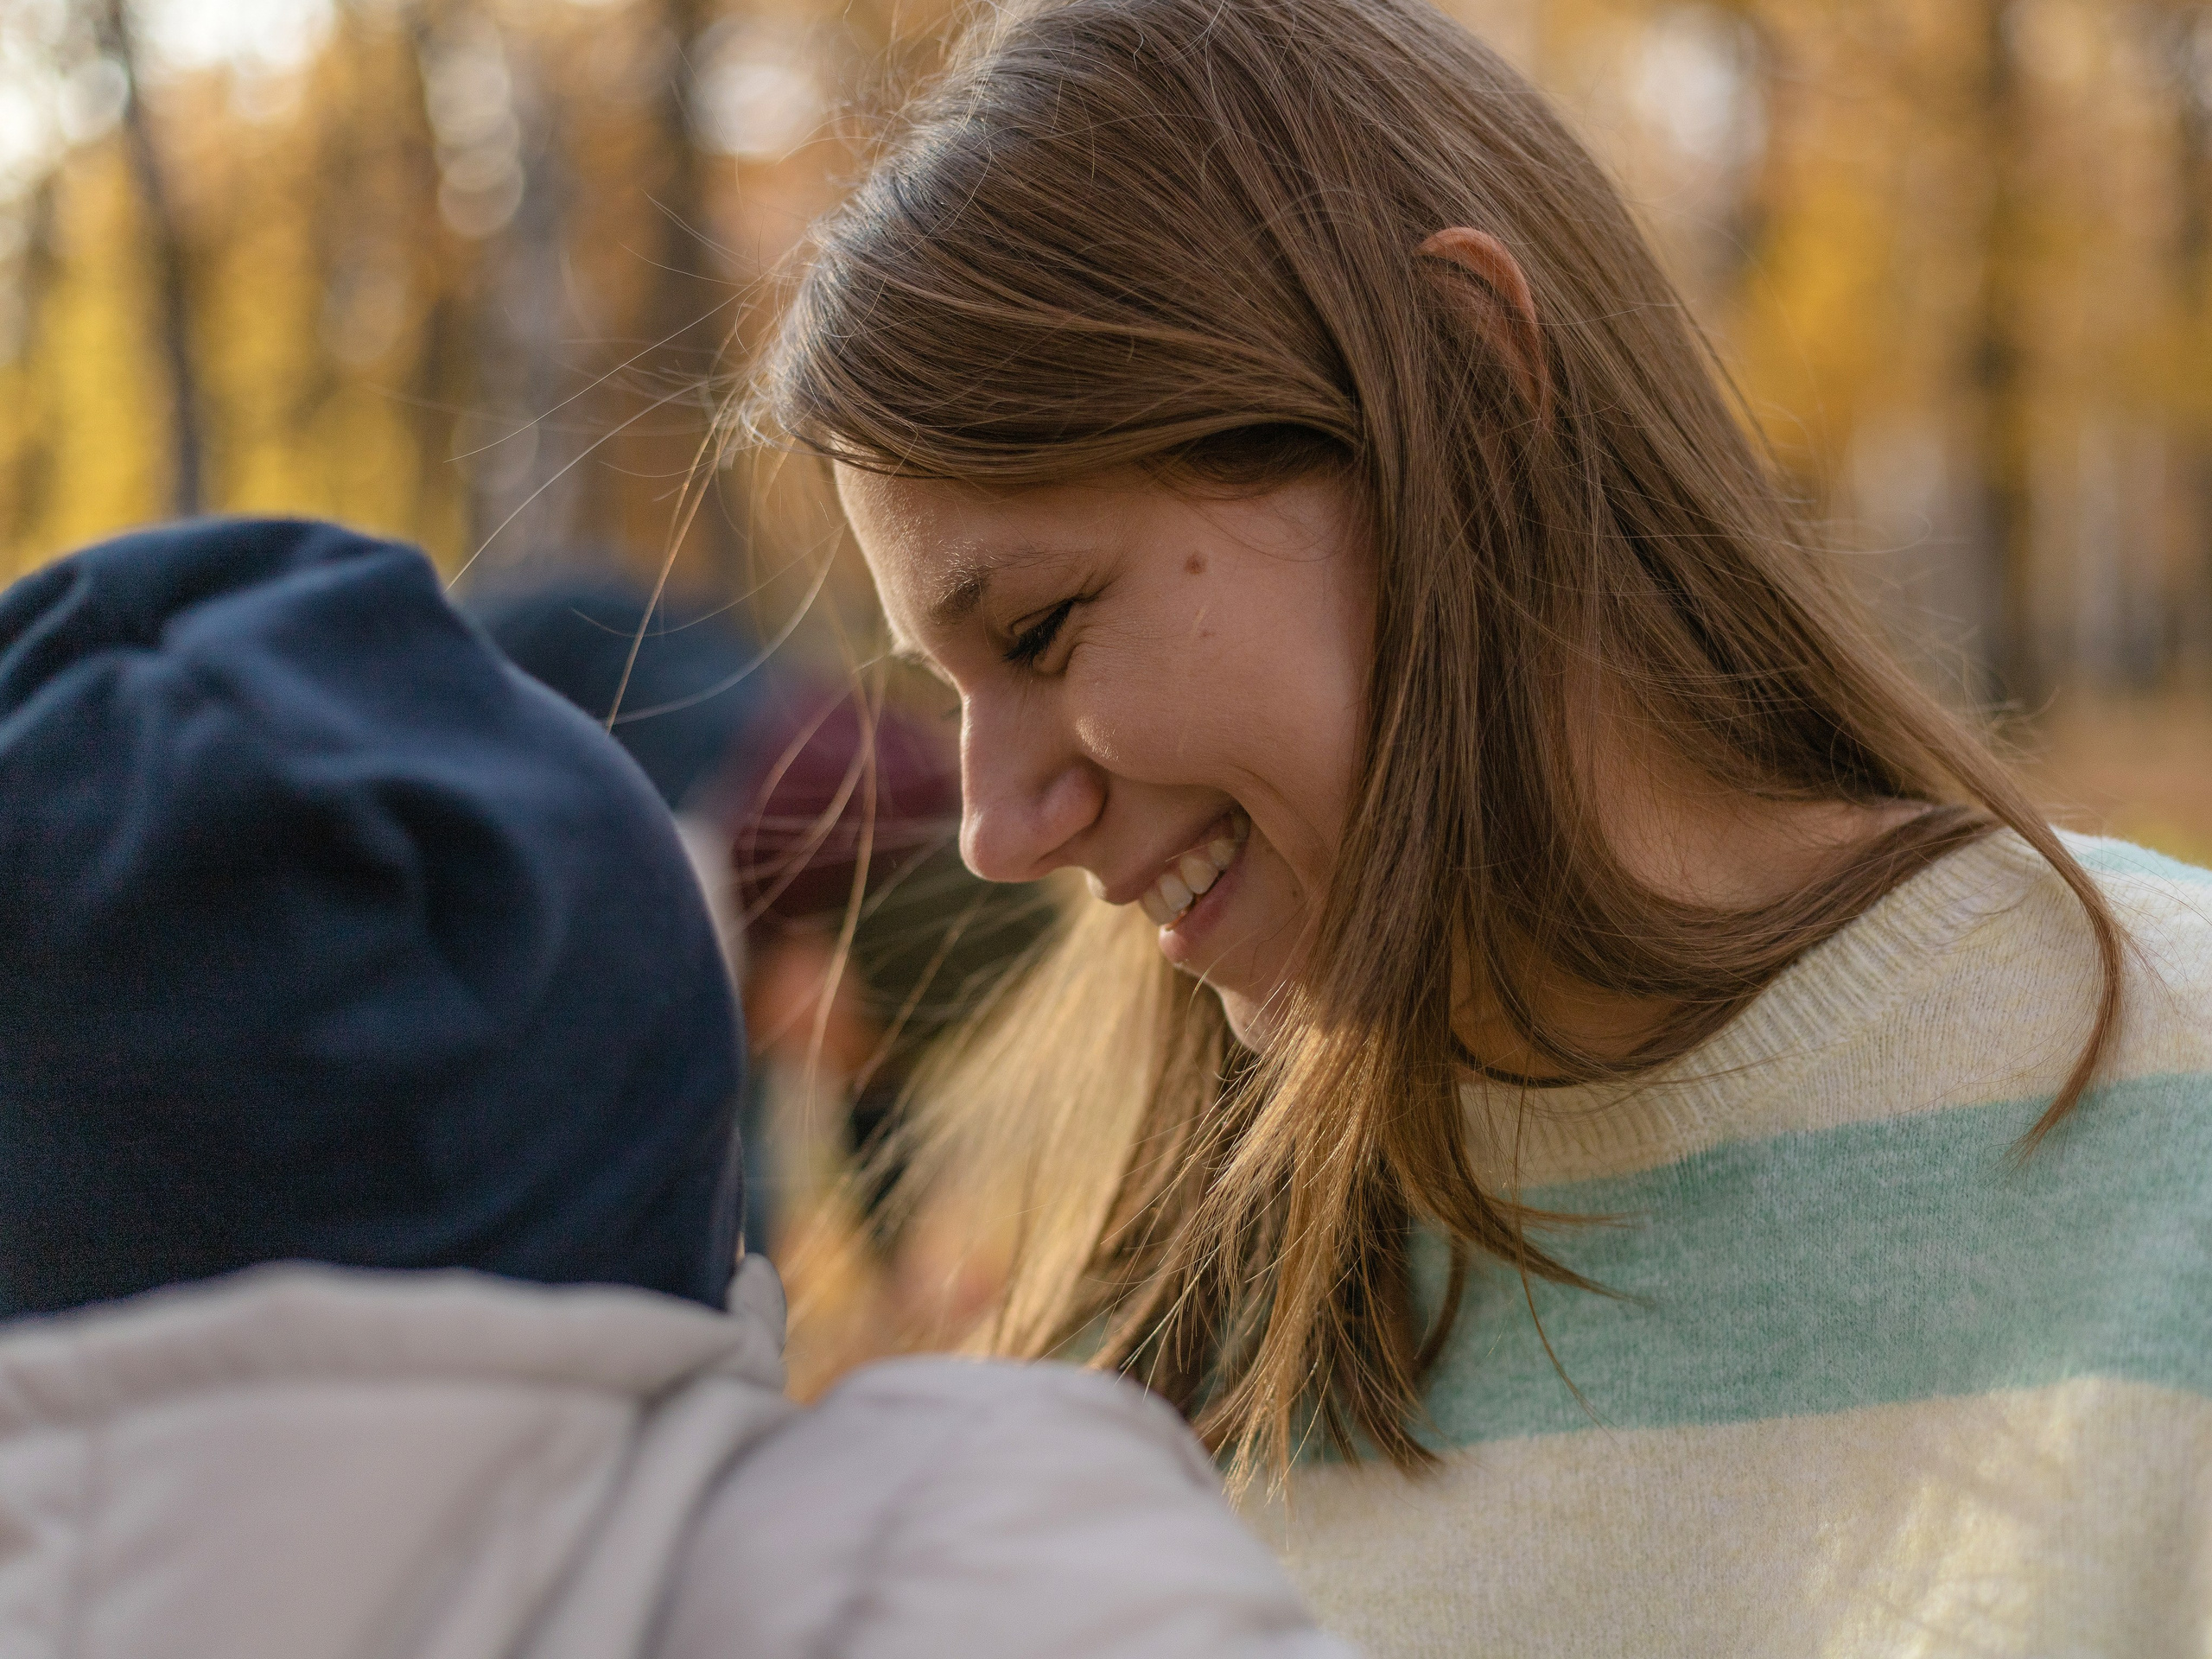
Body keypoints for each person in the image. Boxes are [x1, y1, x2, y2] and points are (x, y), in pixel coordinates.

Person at [745, 0, 2212, 1651]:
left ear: (1468, 385)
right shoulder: (1153, 1357)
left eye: (1042, 629)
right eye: (948, 688)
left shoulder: (2178, 1130)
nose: (997, 832)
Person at [0, 517, 1352, 1659]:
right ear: (817, 974)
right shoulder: (724, 842)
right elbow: (729, 1110)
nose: (824, 1064)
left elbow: (854, 1100)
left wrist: (884, 1271)